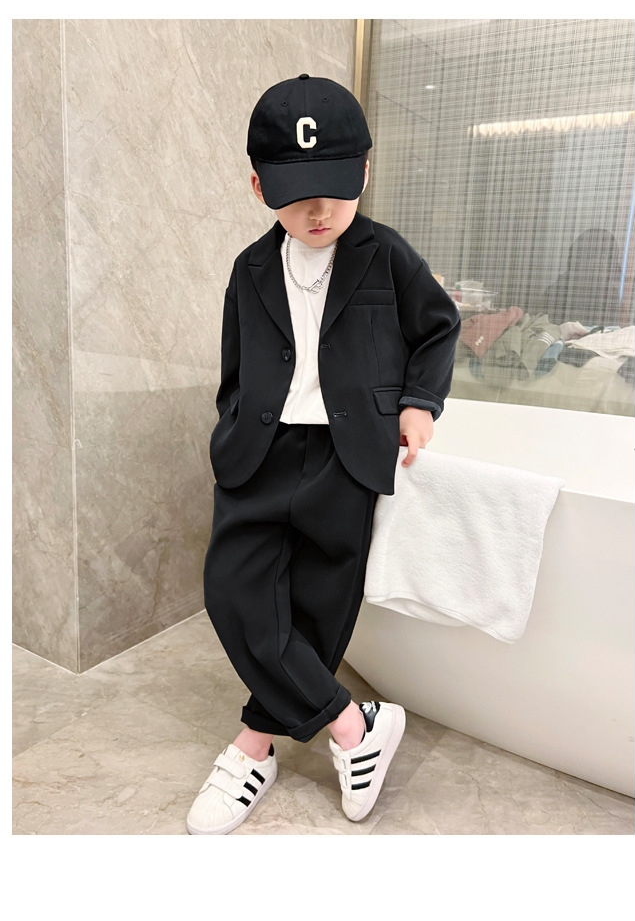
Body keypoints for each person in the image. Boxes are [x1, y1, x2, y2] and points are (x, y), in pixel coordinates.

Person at [187, 74, 462, 835]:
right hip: (260, 450)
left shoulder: (387, 255)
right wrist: (232, 421)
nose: (318, 211)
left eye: (335, 191)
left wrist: (418, 402)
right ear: (258, 187)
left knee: (316, 606)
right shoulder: (249, 268)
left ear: (364, 172)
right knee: (233, 590)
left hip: (346, 457)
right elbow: (236, 362)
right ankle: (352, 725)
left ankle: (254, 745)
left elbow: (438, 327)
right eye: (296, 195)